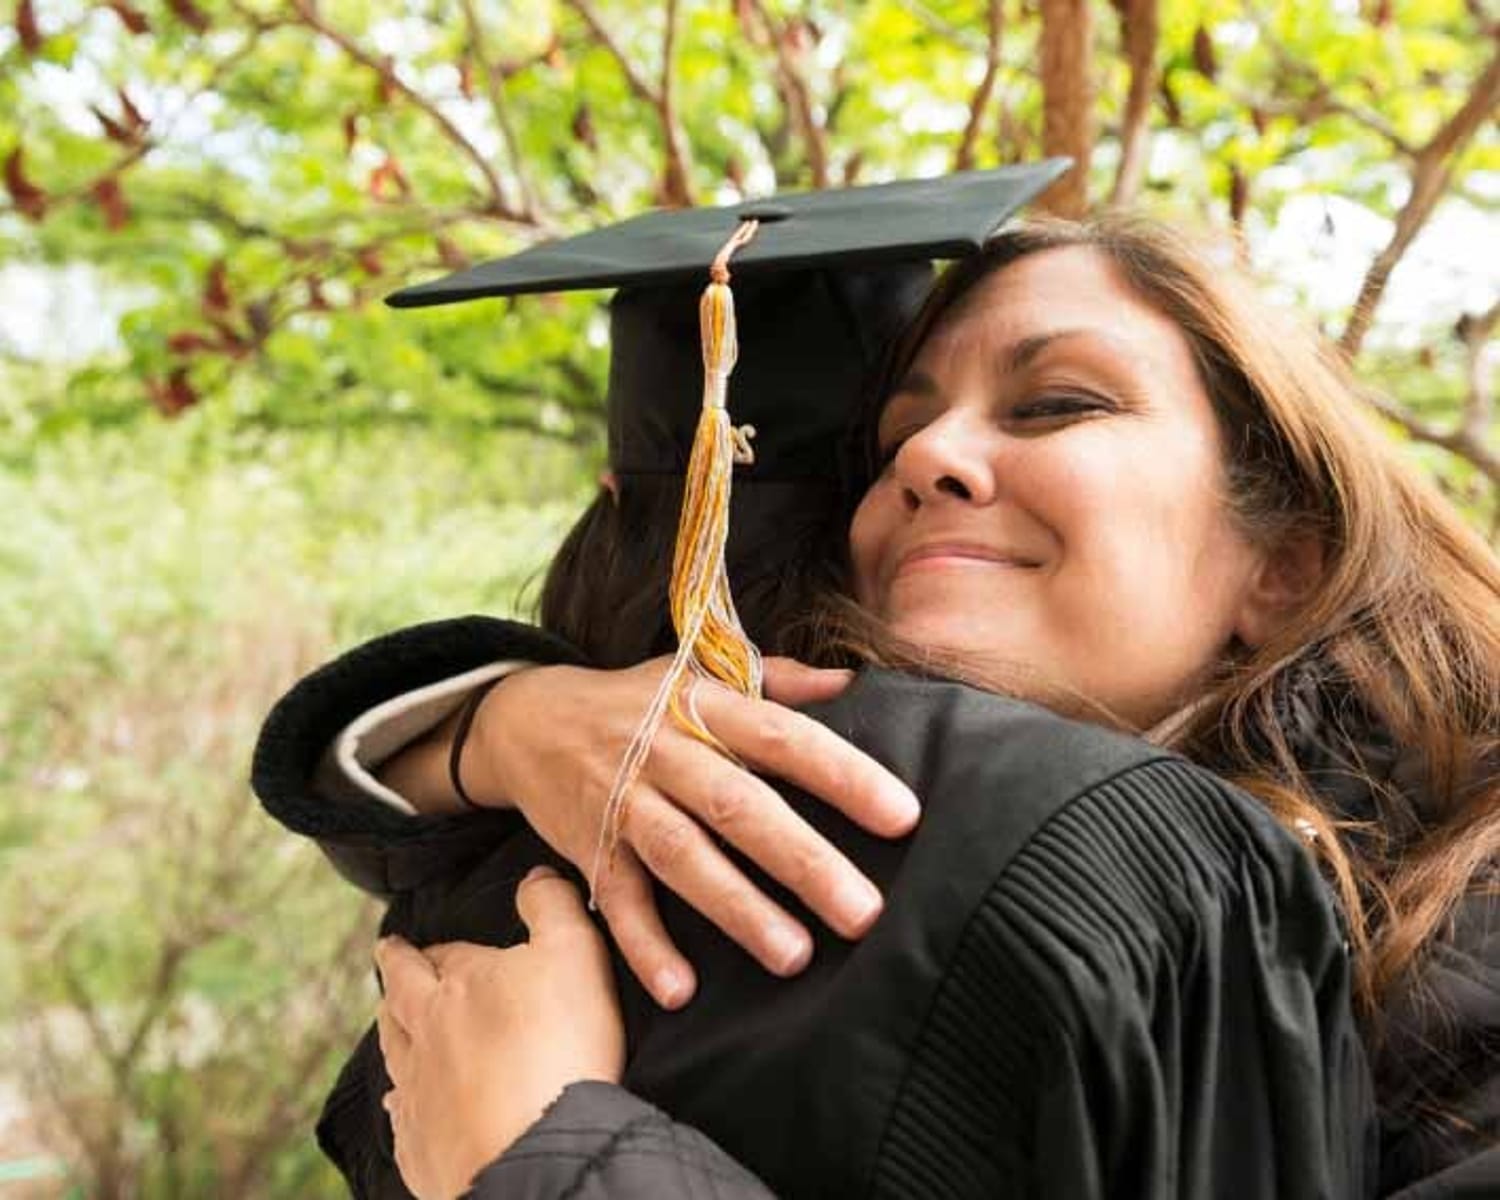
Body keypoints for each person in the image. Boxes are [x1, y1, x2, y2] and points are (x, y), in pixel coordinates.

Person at [255, 206, 1496, 1196]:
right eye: (897, 434)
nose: (927, 457)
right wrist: (502, 724)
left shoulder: (1462, 930)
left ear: (1279, 564)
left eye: (1059, 402)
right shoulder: (814, 848)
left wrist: (544, 1154)